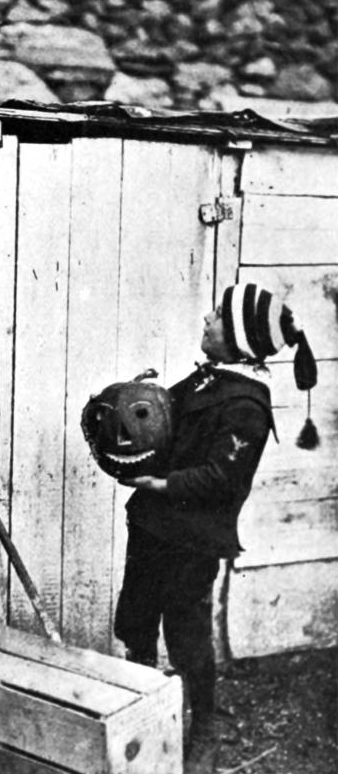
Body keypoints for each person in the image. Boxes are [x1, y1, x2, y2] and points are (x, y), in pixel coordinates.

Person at [113, 283, 317, 774]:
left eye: (220, 316)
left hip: (192, 539)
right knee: (137, 616)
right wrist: (144, 398)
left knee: (186, 632)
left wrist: (159, 482)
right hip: (154, 527)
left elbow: (222, 479)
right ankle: (142, 708)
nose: (207, 318)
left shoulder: (245, 404)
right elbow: (165, 423)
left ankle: (203, 723)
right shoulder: (208, 381)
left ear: (241, 339)